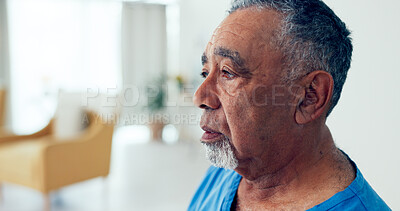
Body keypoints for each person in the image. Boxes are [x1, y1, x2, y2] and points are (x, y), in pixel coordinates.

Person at [188, 0, 391, 210]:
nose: (200, 97)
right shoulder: (227, 169)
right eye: (205, 72)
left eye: (228, 73)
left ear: (309, 97)